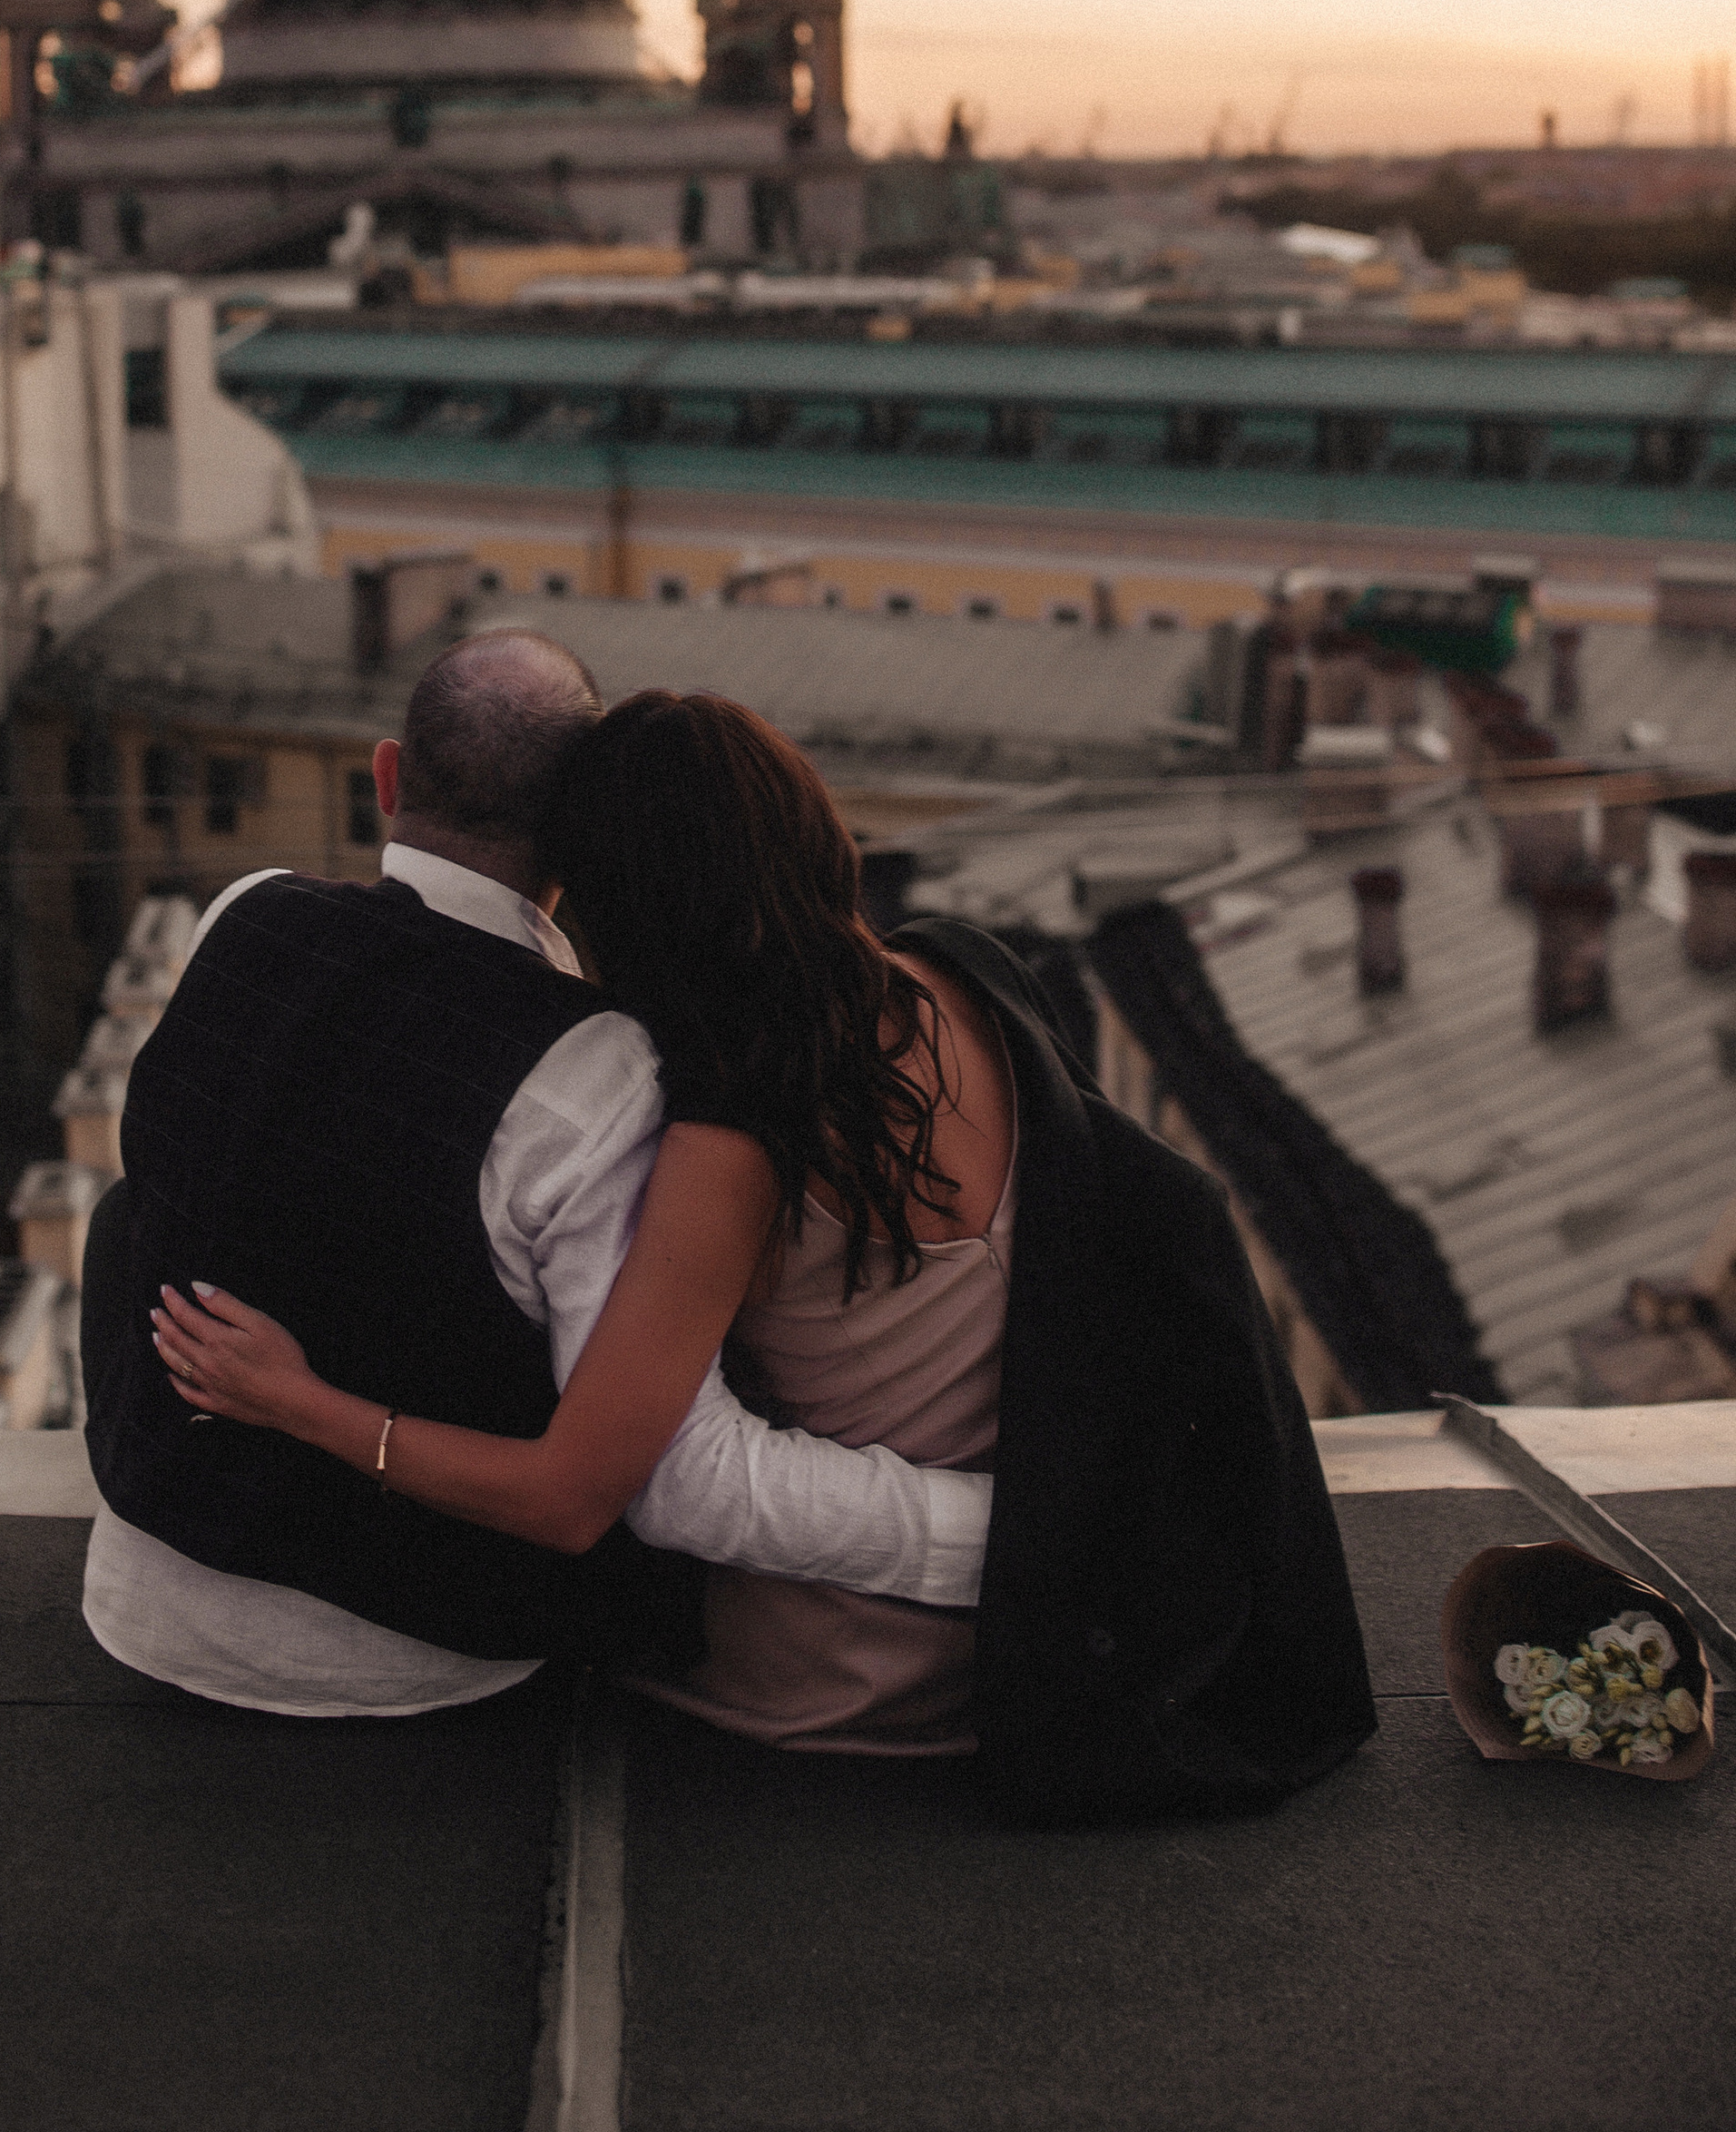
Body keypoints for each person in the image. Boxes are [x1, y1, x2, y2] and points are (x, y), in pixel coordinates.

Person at [155, 687, 1379, 1818]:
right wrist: (1049, 1540)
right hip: (1035, 1645)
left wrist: (305, 1403)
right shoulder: (966, 981)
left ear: (620, 906)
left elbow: (581, 1495)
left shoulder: (732, 1136)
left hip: (837, 1680)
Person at [79, 633, 993, 1722]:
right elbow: (668, 1477)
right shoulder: (594, 1068)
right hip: (413, 1653)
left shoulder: (246, 912)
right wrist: (1007, 1534)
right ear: (580, 842)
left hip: (141, 1581)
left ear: (386, 776)